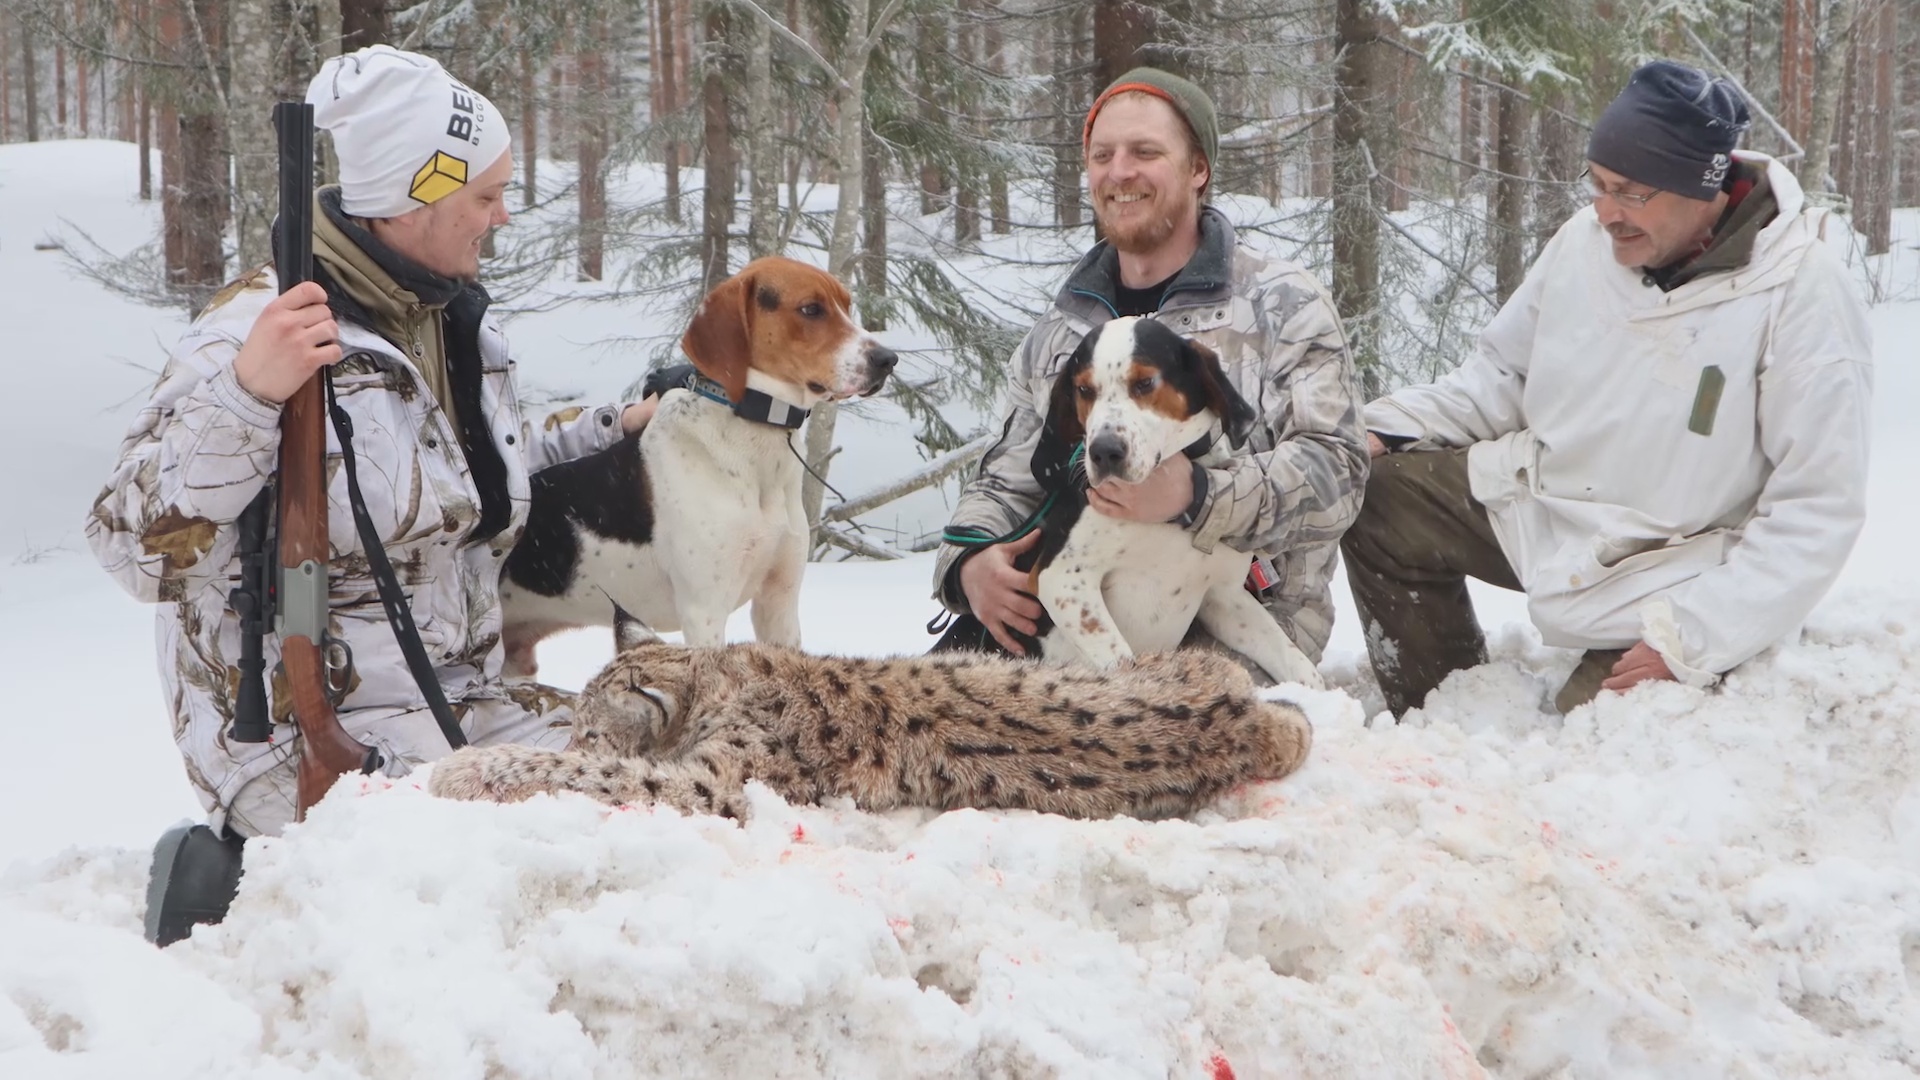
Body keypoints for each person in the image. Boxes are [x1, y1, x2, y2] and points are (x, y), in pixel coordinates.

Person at [86, 46, 652, 939]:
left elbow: (462, 478)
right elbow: (131, 551)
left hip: (461, 697)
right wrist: (248, 395)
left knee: (654, 789)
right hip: (291, 734)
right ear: (416, 195)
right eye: (484, 196)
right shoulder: (256, 328)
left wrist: (611, 430)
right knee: (547, 872)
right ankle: (240, 881)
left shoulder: (446, 315)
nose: (502, 217)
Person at [1342, 59, 1873, 718]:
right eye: (1597, 184)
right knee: (1380, 500)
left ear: (1702, 186)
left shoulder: (1800, 291)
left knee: (1588, 747)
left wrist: (1692, 639)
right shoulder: (1582, 245)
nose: (1605, 212)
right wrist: (1383, 430)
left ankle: (1556, 732)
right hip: (1549, 510)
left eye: (1631, 191)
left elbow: (1816, 508)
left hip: (1672, 568)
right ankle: (1442, 717)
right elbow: (1501, 378)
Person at [931, 68, 1368, 670]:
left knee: (1150, 750)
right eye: (1102, 155)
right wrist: (969, 563)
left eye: (1145, 152)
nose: (1119, 172)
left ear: (1198, 169)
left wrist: (1199, 494)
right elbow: (1008, 480)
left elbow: (1337, 471)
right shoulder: (1057, 334)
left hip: (1242, 625)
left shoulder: (1281, 305)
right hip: (1077, 631)